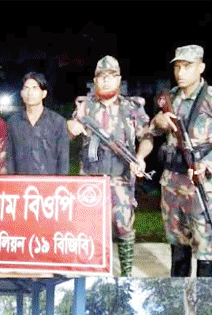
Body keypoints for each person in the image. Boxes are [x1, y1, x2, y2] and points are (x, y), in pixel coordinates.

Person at [150, 45, 212, 277]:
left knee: (205, 247)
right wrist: (158, 122)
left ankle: (202, 297)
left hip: (201, 184)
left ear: (201, 67)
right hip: (171, 183)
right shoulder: (169, 98)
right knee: (177, 243)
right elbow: (148, 132)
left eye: (187, 66)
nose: (181, 72)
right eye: (177, 66)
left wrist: (208, 164)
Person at [67, 56, 152, 277]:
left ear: (119, 79)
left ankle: (126, 273)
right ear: (95, 80)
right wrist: (70, 127)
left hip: (121, 179)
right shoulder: (84, 107)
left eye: (111, 77)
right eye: (101, 77)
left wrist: (140, 158)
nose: (105, 81)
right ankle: (91, 272)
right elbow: (66, 136)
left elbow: (147, 137)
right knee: (90, 228)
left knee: (124, 227)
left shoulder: (132, 107)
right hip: (90, 180)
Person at [6, 72, 70, 175]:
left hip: (49, 184)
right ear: (22, 93)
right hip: (21, 184)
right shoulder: (13, 122)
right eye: (26, 88)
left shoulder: (57, 122)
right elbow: (10, 158)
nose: (30, 93)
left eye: (34, 88)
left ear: (43, 93)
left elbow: (63, 160)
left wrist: (60, 184)